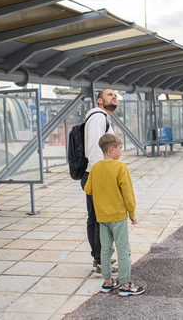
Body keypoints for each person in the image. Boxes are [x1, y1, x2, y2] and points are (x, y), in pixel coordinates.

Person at [84, 133, 145, 296]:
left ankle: (108, 282)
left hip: (102, 217)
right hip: (118, 217)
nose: (121, 151)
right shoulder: (120, 167)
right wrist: (131, 212)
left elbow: (87, 189)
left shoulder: (96, 167)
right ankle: (125, 285)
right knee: (123, 250)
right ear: (112, 149)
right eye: (120, 148)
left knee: (105, 249)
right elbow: (128, 193)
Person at [81, 88, 117, 276]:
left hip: (96, 173)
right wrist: (102, 175)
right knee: (97, 220)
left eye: (115, 95)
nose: (114, 96)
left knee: (96, 219)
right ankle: (100, 261)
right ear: (100, 100)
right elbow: (95, 149)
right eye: (109, 94)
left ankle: (100, 259)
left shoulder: (103, 118)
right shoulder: (98, 117)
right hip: (96, 174)